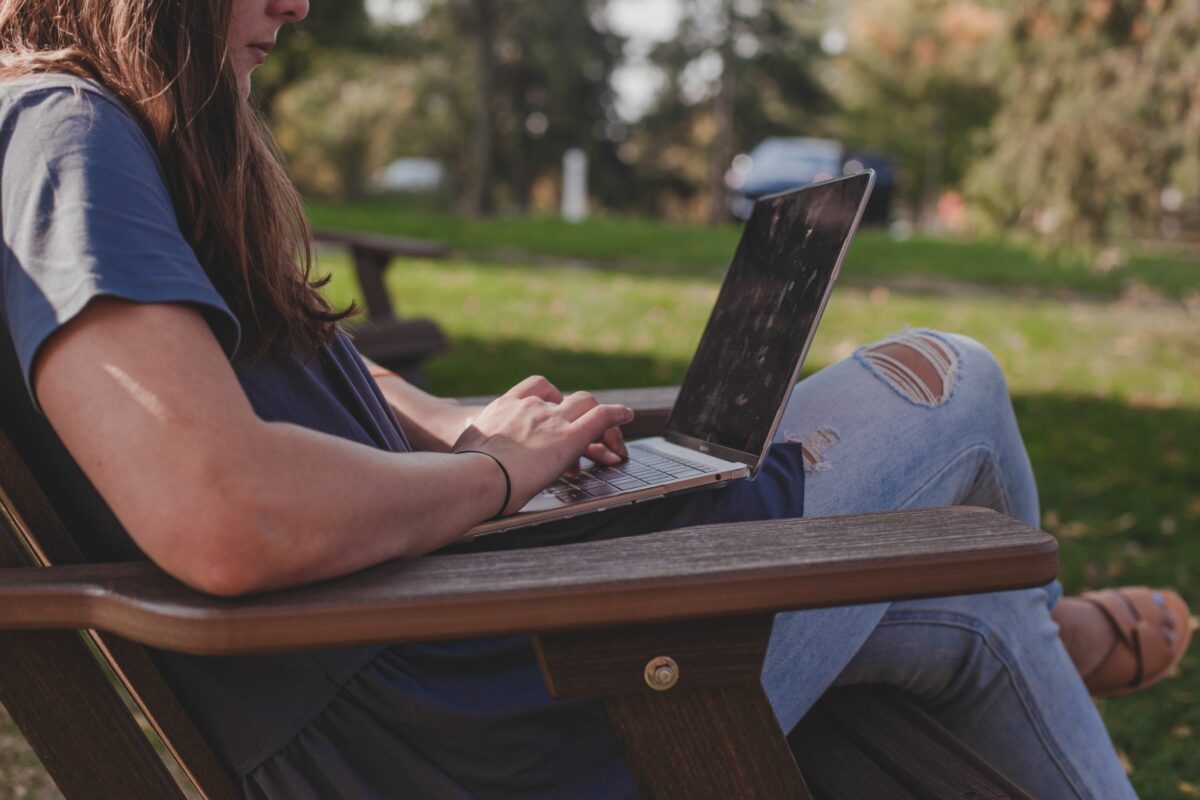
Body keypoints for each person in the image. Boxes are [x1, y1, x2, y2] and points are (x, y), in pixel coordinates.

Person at [0, 1, 1189, 797]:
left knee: (978, 630)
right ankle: (1044, 609)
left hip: (445, 658)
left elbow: (283, 374)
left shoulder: (78, 136)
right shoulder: (63, 134)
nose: (301, 2)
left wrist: (456, 427)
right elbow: (222, 508)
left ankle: (1028, 621)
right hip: (465, 728)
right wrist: (496, 477)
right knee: (951, 379)